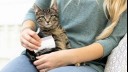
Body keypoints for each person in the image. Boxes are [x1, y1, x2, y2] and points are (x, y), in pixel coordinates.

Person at [1, 0, 127, 72]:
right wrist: (26, 29)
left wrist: (67, 57)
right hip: (41, 55)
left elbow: (111, 40)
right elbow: (33, 12)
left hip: (84, 64)